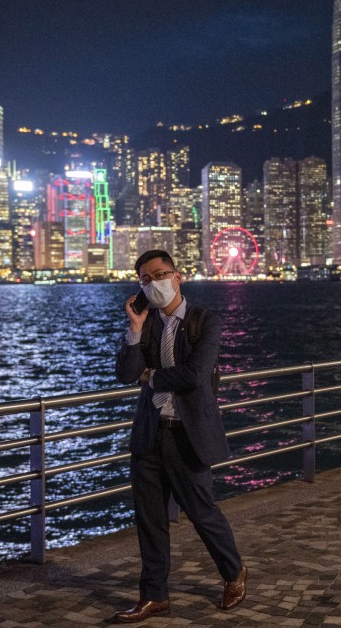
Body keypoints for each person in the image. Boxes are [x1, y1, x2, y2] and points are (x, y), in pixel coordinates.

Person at [112, 249, 247, 623]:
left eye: (159, 274)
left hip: (188, 436)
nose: (152, 283)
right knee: (150, 519)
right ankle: (154, 595)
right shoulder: (148, 323)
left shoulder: (205, 321)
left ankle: (234, 573)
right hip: (150, 435)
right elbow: (125, 373)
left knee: (202, 513)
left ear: (178, 276)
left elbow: (196, 374)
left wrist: (151, 377)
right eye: (143, 279)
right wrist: (135, 329)